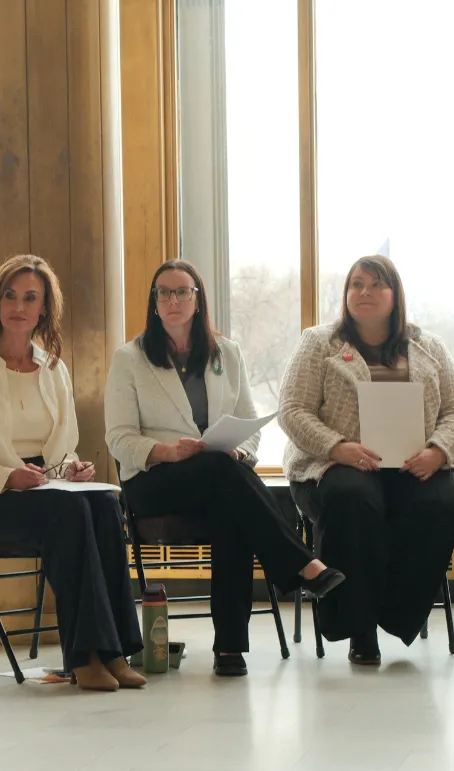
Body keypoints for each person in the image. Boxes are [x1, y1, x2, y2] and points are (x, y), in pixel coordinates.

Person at [104, 258, 344, 676]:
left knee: (231, 503)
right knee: (225, 479)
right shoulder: (131, 358)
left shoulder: (226, 353)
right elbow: (118, 438)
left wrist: (240, 453)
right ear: (154, 302)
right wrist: (169, 451)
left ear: (198, 300)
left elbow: (249, 423)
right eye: (164, 292)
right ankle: (299, 565)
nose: (173, 300)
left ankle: (230, 650)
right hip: (154, 480)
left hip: (218, 478)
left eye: (182, 291)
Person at [0, 254, 144, 691]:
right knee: (69, 513)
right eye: (10, 296)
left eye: (31, 298)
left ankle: (116, 651)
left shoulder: (53, 369)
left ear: (44, 308)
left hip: (48, 490)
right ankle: (84, 656)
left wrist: (72, 468)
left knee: (104, 503)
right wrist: (7, 478)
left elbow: (61, 448)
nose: (19, 306)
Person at [279, 255, 454, 664]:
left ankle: (395, 611)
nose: (364, 292)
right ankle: (359, 628)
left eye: (376, 284)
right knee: (353, 498)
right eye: (356, 284)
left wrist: (438, 451)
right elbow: (292, 410)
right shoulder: (319, 342)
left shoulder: (429, 346)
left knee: (450, 501)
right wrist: (336, 447)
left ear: (395, 294)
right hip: (334, 465)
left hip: (412, 464)